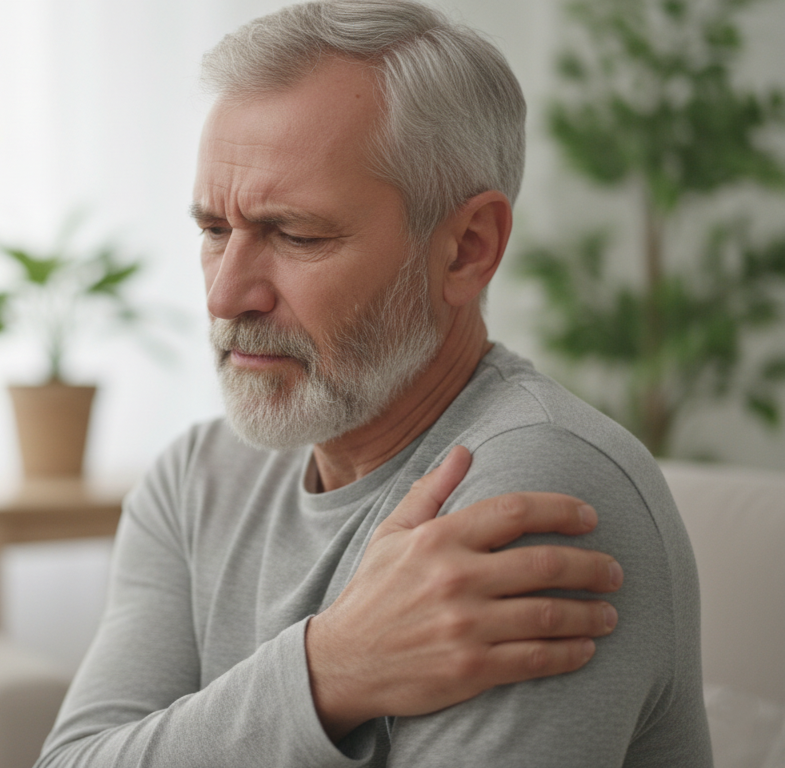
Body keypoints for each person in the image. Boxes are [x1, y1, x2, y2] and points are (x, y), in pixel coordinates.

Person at [36, 1, 711, 766]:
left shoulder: (535, 496)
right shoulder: (197, 480)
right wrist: (328, 671)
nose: (226, 295)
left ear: (466, 249)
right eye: (215, 231)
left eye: (296, 234)